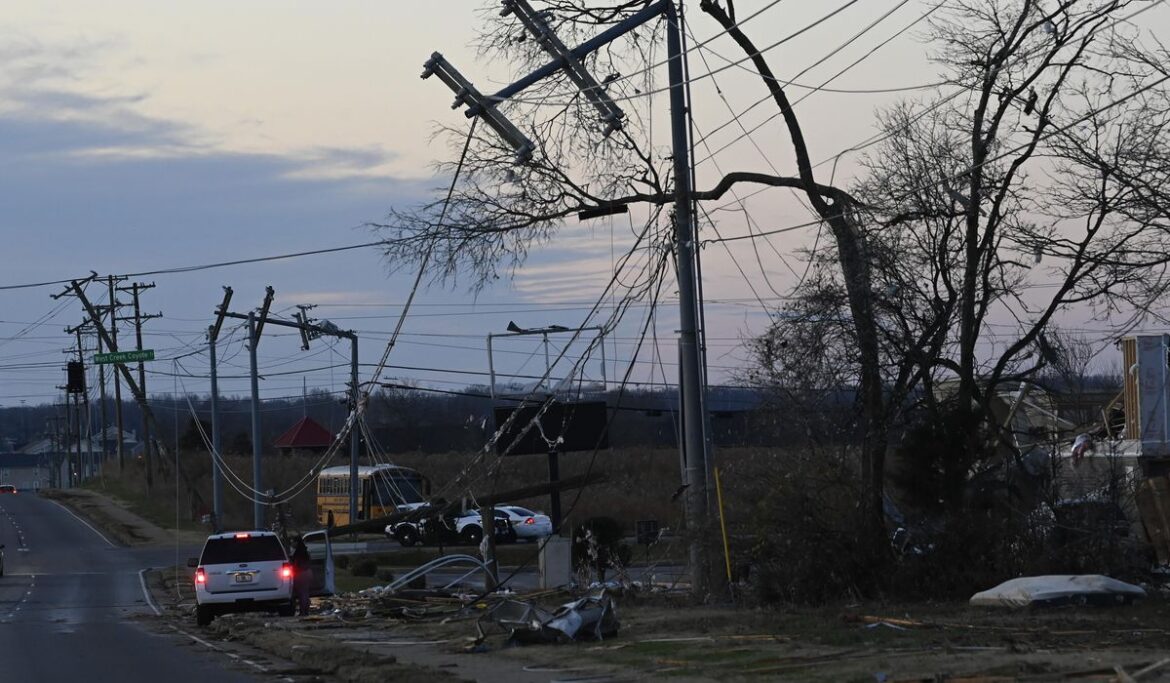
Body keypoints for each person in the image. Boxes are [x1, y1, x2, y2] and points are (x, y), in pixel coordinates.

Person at [290, 536, 313, 616]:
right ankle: (305, 611)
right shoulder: (304, 551)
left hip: (301, 574)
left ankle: (303, 612)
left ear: (297, 542)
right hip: (308, 573)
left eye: (293, 542)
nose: (292, 543)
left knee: (302, 594)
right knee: (305, 593)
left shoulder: (298, 553)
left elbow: (297, 565)